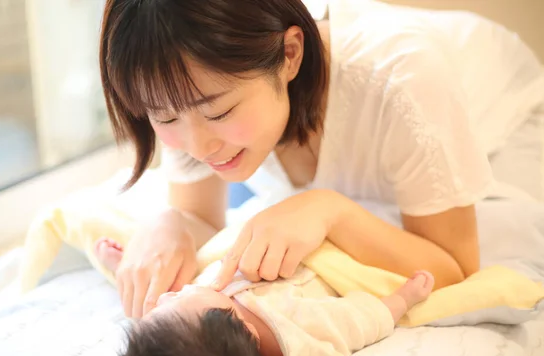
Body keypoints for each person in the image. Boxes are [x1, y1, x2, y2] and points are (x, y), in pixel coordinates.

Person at [98, 0, 544, 318]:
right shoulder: (189, 83)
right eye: (164, 117)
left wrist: (328, 209)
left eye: (220, 112)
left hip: (502, 117)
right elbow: (197, 212)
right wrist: (171, 223)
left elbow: (454, 269)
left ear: (290, 55)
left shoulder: (403, 78)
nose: (198, 147)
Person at [96, 238, 435, 356]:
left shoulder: (204, 321)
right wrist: (401, 299)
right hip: (320, 251)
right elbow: (360, 321)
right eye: (175, 301)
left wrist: (120, 266)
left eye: (160, 306)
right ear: (243, 330)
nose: (172, 294)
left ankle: (125, 269)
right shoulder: (298, 331)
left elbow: (165, 307)